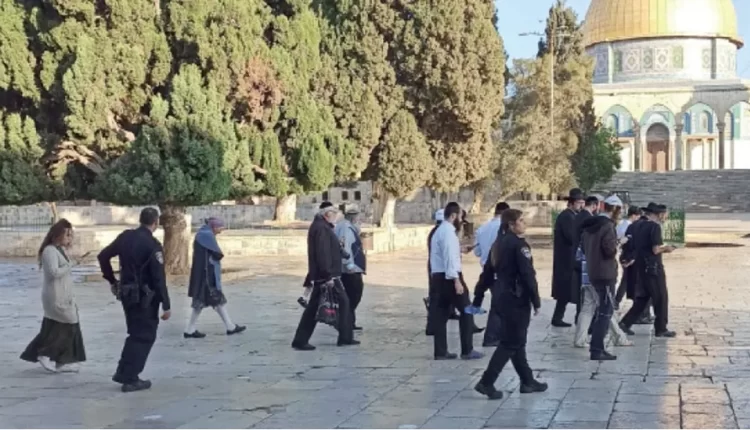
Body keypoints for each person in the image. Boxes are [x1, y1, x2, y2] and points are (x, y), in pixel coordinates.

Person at [474, 209, 547, 399]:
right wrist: (536, 300)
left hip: (501, 297)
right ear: (511, 225)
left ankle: (527, 380)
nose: (524, 223)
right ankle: (486, 382)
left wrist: (478, 296)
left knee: (517, 341)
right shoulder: (519, 246)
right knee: (510, 342)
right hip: (516, 299)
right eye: (521, 220)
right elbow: (528, 274)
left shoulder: (497, 245)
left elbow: (487, 274)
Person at [98, 207, 171, 393]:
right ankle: (130, 378)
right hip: (145, 297)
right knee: (144, 335)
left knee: (134, 333)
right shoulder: (153, 245)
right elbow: (158, 277)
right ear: (155, 223)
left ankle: (123, 372)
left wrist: (112, 280)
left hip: (126, 293)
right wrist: (166, 304)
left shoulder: (126, 237)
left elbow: (103, 256)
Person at [21, 219, 86, 373]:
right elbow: (53, 272)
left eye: (71, 235)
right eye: (67, 235)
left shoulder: (59, 250)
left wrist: (73, 262)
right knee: (69, 323)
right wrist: (71, 264)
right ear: (58, 235)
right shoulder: (49, 251)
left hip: (65, 294)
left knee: (56, 326)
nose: (69, 238)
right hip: (56, 296)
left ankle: (61, 361)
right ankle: (45, 353)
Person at [291, 205, 358, 350]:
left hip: (326, 274)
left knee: (338, 303)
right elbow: (323, 253)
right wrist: (327, 275)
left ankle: (345, 337)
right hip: (326, 275)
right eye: (334, 213)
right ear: (327, 214)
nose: (336, 216)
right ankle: (301, 340)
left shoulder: (323, 226)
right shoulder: (321, 228)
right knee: (329, 305)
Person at [428, 202, 483, 360]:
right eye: (460, 217)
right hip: (450, 277)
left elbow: (444, 252)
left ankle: (440, 351)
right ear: (453, 216)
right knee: (467, 311)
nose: (461, 221)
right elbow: (449, 258)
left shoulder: (440, 231)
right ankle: (467, 350)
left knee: (441, 314)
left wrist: (461, 249)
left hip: (438, 277)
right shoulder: (448, 233)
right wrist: (456, 280)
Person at [579, 195, 630, 360]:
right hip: (605, 273)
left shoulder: (590, 225)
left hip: (593, 271)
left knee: (602, 309)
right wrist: (619, 243)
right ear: (615, 209)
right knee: (605, 312)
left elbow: (584, 248)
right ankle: (597, 349)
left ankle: (597, 348)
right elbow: (609, 250)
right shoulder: (607, 226)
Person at [619, 203, 677, 338]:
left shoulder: (635, 225)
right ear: (659, 215)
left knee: (643, 297)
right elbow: (655, 249)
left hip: (639, 266)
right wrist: (667, 248)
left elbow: (629, 244)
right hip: (653, 267)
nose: (665, 217)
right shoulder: (654, 227)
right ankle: (661, 328)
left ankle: (625, 323)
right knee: (661, 297)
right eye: (665, 215)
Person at [184, 217, 246, 338]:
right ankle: (190, 329)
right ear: (214, 227)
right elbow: (218, 253)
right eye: (220, 227)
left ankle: (229, 326)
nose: (221, 230)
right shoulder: (206, 235)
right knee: (205, 301)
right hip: (206, 275)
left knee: (214, 301)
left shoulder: (203, 233)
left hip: (204, 273)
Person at [551, 188, 585, 327]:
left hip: (568, 259)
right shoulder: (567, 217)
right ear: (571, 203)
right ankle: (576, 318)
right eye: (579, 203)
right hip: (566, 259)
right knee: (570, 289)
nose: (581, 206)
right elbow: (572, 236)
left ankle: (558, 317)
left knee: (567, 291)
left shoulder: (571, 216)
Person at [471, 202, 509, 311]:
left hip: (486, 269)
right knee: (501, 304)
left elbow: (477, 252)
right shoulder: (505, 229)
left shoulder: (482, 229)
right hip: (502, 270)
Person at [335, 207, 366, 331]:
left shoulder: (346, 227)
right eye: (358, 218)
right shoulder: (346, 229)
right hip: (350, 270)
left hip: (351, 268)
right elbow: (345, 248)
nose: (359, 220)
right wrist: (349, 265)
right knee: (353, 296)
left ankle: (349, 322)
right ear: (354, 218)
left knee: (351, 297)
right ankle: (345, 323)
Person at [615, 206, 643, 307]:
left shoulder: (621, 224)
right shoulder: (629, 226)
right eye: (638, 216)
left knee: (627, 278)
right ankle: (617, 300)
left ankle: (618, 300)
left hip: (624, 253)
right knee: (627, 279)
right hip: (628, 254)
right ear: (634, 215)